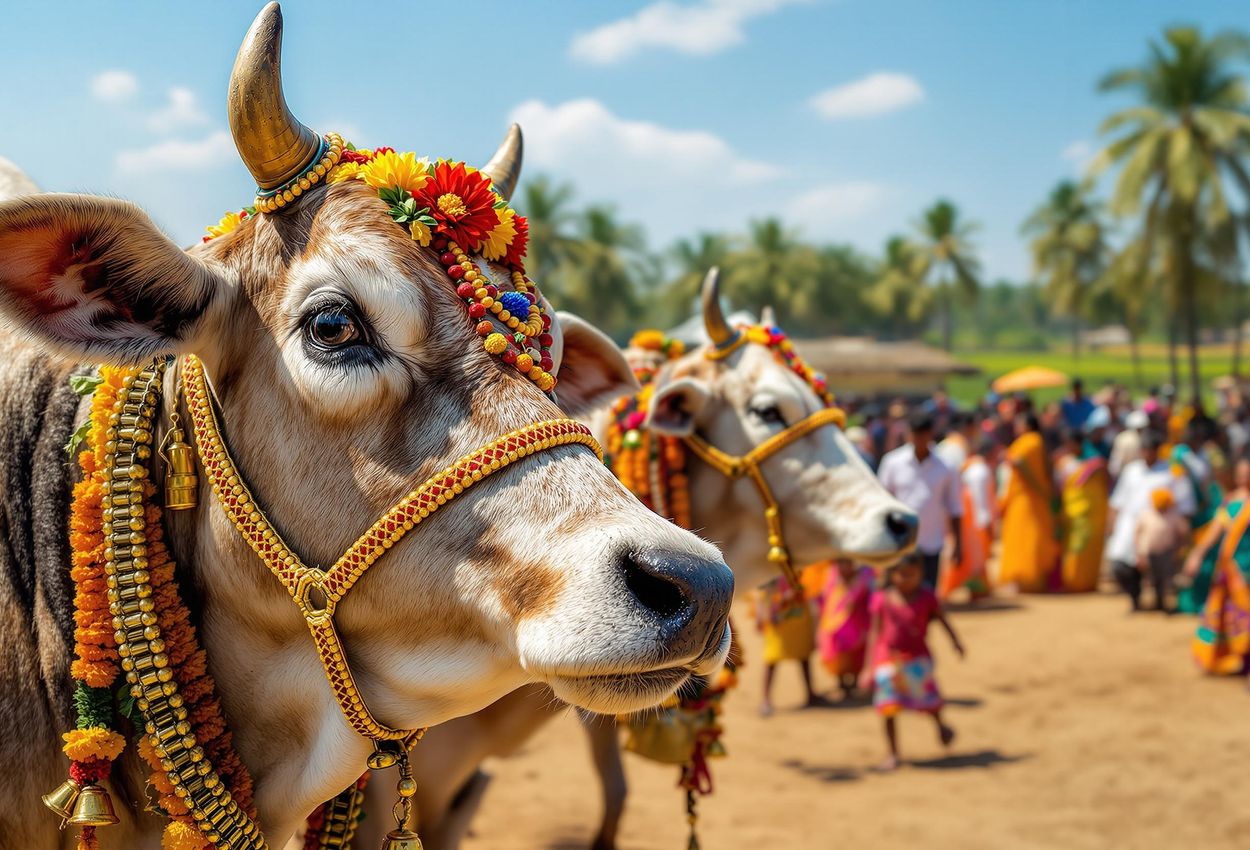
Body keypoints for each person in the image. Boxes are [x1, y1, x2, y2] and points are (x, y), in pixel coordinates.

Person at [863, 554, 965, 771]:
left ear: (921, 575)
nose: (907, 579)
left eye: (912, 575)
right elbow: (874, 632)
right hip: (888, 660)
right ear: (892, 575)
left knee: (929, 700)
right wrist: (868, 667)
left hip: (917, 659)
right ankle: (893, 753)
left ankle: (940, 726)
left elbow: (943, 620)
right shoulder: (882, 598)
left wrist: (956, 642)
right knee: (888, 707)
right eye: (902, 574)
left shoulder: (927, 598)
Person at [1107, 430, 1195, 612]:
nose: (1146, 453)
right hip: (1129, 526)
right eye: (1144, 449)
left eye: (1150, 449)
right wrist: (1111, 524)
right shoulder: (1131, 471)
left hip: (1158, 529)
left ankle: (1160, 602)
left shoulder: (1171, 472)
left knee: (1159, 568)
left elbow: (1185, 503)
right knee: (1120, 565)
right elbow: (1117, 500)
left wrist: (1181, 532)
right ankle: (1135, 598)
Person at [878, 412, 963, 590]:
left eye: (923, 434)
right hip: (899, 541)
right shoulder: (893, 462)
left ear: (931, 434)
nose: (919, 439)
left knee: (926, 594)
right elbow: (882, 502)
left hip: (931, 541)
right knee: (894, 593)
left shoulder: (946, 465)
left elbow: (955, 506)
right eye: (915, 434)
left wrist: (958, 543)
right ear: (909, 434)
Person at [1188, 457, 1250, 674]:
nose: (1243, 478)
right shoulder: (1231, 502)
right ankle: (1238, 659)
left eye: (1247, 474)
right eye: (1240, 474)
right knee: (1232, 616)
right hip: (1231, 570)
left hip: (1247, 569)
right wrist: (1197, 554)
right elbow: (1214, 532)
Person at [997, 413, 1062, 592]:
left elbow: (1018, 462)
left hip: (1026, 497)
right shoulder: (1037, 441)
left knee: (1023, 535)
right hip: (1030, 497)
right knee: (1032, 535)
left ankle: (1024, 578)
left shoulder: (1030, 440)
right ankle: (1031, 579)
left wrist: (1036, 487)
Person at [1055, 428, 1110, 593]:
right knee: (1071, 547)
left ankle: (1085, 582)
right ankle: (1072, 581)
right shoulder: (1065, 461)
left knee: (1084, 546)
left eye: (1070, 444)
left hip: (1090, 513)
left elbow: (1104, 484)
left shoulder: (1095, 463)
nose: (1068, 447)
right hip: (1070, 511)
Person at [755, 575, 819, 716]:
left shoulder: (799, 570)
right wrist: (762, 614)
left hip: (798, 618)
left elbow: (808, 589)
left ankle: (810, 693)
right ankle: (766, 699)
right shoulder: (770, 570)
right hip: (777, 620)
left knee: (803, 656)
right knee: (772, 659)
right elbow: (763, 592)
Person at [940, 434, 994, 600]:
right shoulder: (979, 470)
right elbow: (980, 498)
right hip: (973, 519)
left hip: (968, 516)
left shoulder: (970, 468)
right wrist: (984, 520)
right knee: (975, 556)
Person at [816, 558, 876, 698]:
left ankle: (854, 682)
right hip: (834, 625)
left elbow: (869, 597)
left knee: (856, 654)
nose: (844, 567)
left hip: (857, 624)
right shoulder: (831, 577)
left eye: (847, 563)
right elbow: (824, 599)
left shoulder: (864, 577)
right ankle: (842, 684)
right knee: (839, 655)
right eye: (840, 563)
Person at [1133, 489, 1189, 613]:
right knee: (1153, 579)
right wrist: (1139, 553)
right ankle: (1154, 603)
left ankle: (1164, 604)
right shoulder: (1146, 515)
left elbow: (1183, 532)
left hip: (1166, 553)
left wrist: (1180, 549)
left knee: (1166, 579)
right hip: (1149, 553)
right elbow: (1137, 534)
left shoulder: (1174, 516)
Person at [1110, 409, 1150, 478]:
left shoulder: (1121, 437)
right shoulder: (1122, 438)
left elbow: (1115, 465)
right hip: (1130, 476)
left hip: (1136, 475)